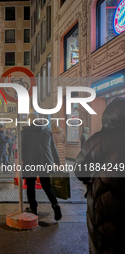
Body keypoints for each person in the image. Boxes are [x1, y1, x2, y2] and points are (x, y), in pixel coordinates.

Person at [75, 98, 125, 254]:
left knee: (101, 242)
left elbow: (79, 170)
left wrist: (90, 180)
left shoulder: (95, 140)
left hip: (101, 203)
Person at [22, 112, 62, 220]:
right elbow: (53, 147)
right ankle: (55, 204)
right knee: (46, 184)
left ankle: (33, 208)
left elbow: (23, 147)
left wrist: (22, 160)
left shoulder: (26, 131)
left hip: (31, 161)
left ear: (30, 120)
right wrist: (57, 161)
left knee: (30, 184)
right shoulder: (47, 130)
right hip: (46, 161)